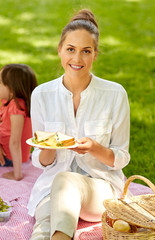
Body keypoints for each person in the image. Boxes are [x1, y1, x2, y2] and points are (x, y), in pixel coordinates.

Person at [27, 9, 130, 240]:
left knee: (66, 181)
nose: (77, 59)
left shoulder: (114, 94)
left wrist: (94, 148)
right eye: (70, 50)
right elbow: (41, 161)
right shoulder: (41, 95)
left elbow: (121, 157)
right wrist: (47, 146)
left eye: (86, 51)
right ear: (59, 50)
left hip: (100, 188)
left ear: (95, 54)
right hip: (53, 185)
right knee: (44, 223)